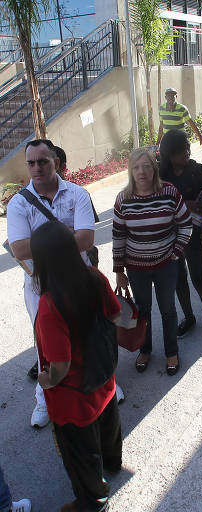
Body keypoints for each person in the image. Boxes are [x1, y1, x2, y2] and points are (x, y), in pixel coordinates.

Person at [31, 220, 123, 512]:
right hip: (103, 375)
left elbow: (60, 363)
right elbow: (115, 315)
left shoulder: (49, 304)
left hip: (73, 395)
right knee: (108, 425)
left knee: (80, 453)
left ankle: (93, 499)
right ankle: (113, 463)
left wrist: (47, 381)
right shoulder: (94, 276)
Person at [7, 139, 96, 428]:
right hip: (40, 286)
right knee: (46, 345)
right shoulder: (19, 203)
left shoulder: (78, 194)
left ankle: (100, 384)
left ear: (56, 162)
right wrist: (67, 234)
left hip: (78, 281)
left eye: (43, 161)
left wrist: (41, 240)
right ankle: (45, 400)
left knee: (87, 335)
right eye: (31, 163)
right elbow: (19, 249)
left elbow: (86, 239)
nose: (37, 168)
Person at [113, 147, 192, 376]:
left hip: (166, 264)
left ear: (154, 169)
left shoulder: (169, 192)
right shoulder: (123, 199)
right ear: (130, 171)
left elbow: (186, 223)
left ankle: (171, 352)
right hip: (136, 268)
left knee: (168, 309)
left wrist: (176, 252)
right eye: (136, 167)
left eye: (146, 166)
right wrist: (119, 270)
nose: (142, 172)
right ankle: (145, 350)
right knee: (143, 310)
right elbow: (118, 236)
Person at [158, 129, 202, 350]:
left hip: (194, 234)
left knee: (199, 280)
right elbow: (153, 198)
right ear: (170, 154)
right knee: (179, 279)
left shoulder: (196, 170)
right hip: (171, 234)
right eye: (182, 150)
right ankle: (189, 318)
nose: (187, 152)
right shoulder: (161, 173)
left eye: (188, 148)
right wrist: (180, 204)